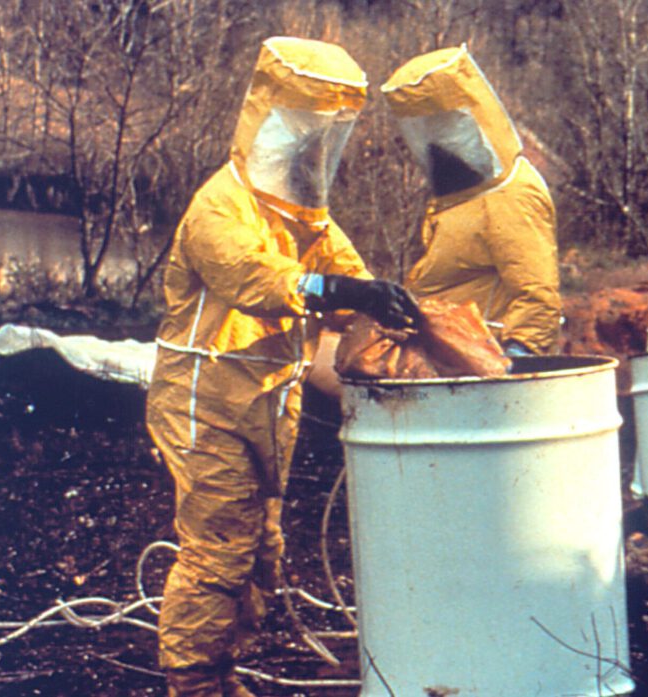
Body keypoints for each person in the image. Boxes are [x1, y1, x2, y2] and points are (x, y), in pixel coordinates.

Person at [145, 36, 419, 697]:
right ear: (269, 125)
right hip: (204, 398)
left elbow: (347, 273)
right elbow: (257, 279)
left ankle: (222, 671)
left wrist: (387, 306)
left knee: (260, 550)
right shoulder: (221, 206)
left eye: (326, 136)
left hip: (268, 400)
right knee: (218, 550)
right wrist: (339, 293)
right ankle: (193, 684)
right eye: (304, 132)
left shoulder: (303, 216)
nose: (312, 150)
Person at [381, 45, 562, 356]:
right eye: (425, 127)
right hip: (446, 354)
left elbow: (538, 297)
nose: (435, 140)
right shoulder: (461, 194)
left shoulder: (510, 196)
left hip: (482, 360)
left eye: (446, 125)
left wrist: (514, 359)